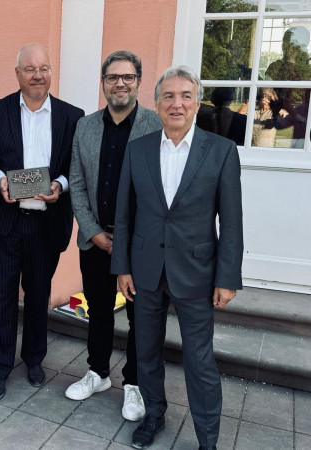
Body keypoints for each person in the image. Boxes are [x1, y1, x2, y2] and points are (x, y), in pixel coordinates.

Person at [111, 66, 243, 450]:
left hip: (197, 273)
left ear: (197, 104)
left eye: (186, 96)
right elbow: (124, 214)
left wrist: (227, 277)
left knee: (199, 361)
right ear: (156, 104)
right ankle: (153, 415)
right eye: (168, 96)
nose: (177, 103)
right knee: (146, 351)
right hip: (145, 270)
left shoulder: (221, 151)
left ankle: (208, 439)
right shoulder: (138, 150)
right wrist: (122, 267)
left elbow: (231, 221)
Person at [0, 43, 84, 401]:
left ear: (51, 72)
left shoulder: (71, 115)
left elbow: (77, 167)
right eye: (30, 69)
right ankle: (0, 367)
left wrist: (60, 185)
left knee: (38, 295)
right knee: (1, 297)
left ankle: (34, 359)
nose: (38, 75)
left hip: (46, 224)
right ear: (18, 73)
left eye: (44, 68)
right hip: (6, 222)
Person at [67, 51, 161, 421]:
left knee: (140, 317)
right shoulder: (85, 126)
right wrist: (92, 232)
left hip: (139, 245)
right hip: (95, 241)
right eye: (112, 77)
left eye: (127, 77)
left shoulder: (155, 126)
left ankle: (134, 383)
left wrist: (128, 239)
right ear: (104, 82)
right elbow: (76, 183)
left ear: (138, 81)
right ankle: (98, 373)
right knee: (99, 310)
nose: (120, 84)